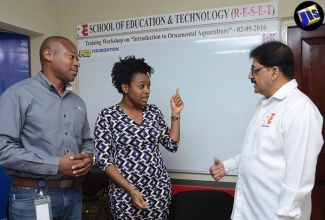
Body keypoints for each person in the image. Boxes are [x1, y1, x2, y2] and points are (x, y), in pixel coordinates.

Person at [209, 41, 323, 220]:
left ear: (274, 72)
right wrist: (228, 166)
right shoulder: (264, 105)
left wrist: (286, 216)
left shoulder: (299, 108)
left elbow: (298, 176)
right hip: (250, 213)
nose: (249, 75)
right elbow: (257, 153)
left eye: (254, 70)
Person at [0, 36, 96, 220]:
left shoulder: (78, 102)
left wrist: (89, 157)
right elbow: (3, 150)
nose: (77, 63)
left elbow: (86, 141)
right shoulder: (18, 95)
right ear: (48, 55)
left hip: (74, 194)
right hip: (31, 196)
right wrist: (57, 164)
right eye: (72, 57)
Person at [94, 55, 184, 219]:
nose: (147, 91)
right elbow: (104, 160)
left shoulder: (153, 112)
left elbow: (172, 145)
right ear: (125, 87)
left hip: (158, 193)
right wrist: (130, 189)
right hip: (125, 195)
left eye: (149, 85)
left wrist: (175, 114)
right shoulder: (108, 116)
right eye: (141, 86)